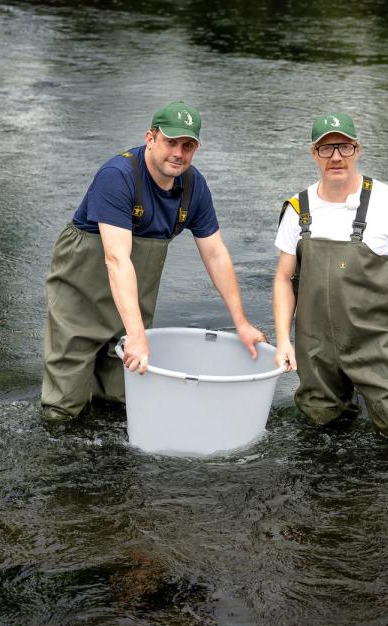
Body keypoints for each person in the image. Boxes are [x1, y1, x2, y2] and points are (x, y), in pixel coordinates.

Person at [42, 100, 266, 420]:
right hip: (82, 291)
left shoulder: (193, 186)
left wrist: (241, 323)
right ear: (150, 138)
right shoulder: (118, 176)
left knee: (122, 400)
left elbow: (216, 254)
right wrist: (136, 335)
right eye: (170, 142)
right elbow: (117, 259)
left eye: (187, 145)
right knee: (65, 403)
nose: (178, 152)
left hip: (133, 299)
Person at [272, 112, 388, 438]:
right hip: (316, 350)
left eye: (343, 147)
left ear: (357, 149)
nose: (336, 157)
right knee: (320, 435)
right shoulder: (298, 209)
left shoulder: (387, 201)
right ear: (314, 154)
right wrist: (284, 340)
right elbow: (284, 278)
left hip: (375, 345)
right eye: (326, 149)